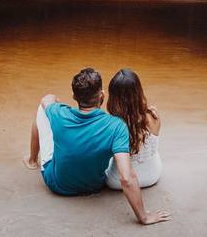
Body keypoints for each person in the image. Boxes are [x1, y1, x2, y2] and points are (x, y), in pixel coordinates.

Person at [24, 67, 171, 225]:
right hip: (95, 185)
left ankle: (32, 160)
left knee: (42, 110)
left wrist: (56, 101)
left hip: (57, 185)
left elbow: (47, 99)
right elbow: (127, 177)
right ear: (102, 95)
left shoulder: (59, 113)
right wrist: (144, 216)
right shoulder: (116, 125)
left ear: (74, 96)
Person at [104, 68, 162, 189]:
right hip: (152, 175)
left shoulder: (112, 124)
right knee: (152, 151)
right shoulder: (153, 115)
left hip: (117, 182)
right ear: (139, 91)